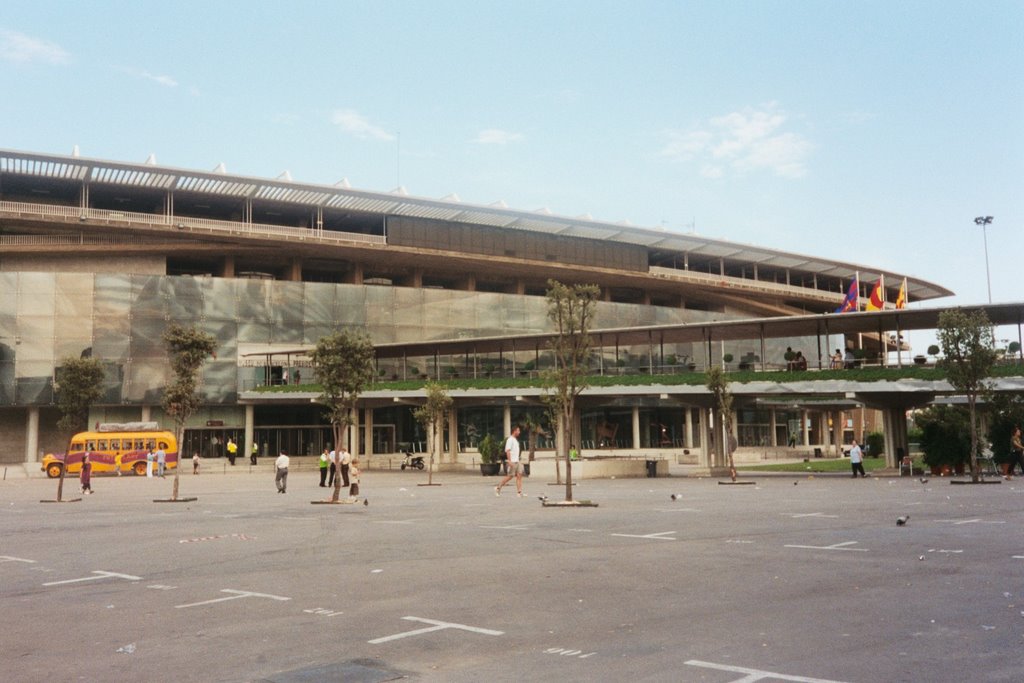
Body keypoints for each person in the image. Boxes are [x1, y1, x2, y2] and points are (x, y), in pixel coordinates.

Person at [495, 425, 524, 497]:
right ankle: (498, 487)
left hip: (517, 461)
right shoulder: (510, 439)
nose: (519, 432)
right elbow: (508, 451)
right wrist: (509, 461)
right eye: (518, 430)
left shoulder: (515, 440)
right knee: (510, 476)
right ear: (514, 431)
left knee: (519, 475)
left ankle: (519, 492)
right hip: (512, 461)